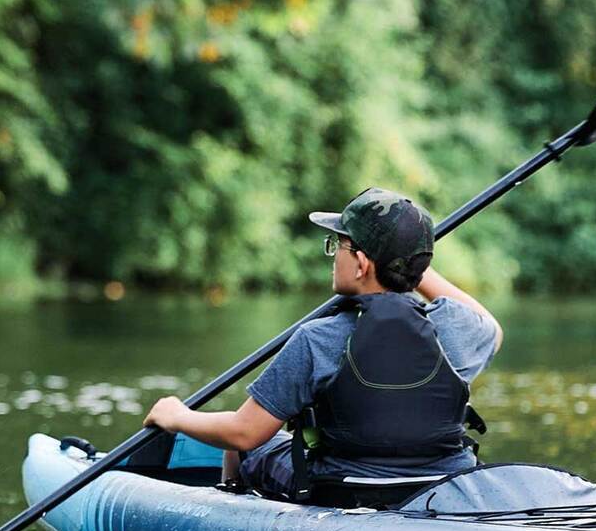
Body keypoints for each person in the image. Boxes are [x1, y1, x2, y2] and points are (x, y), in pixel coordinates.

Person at [143, 187, 503, 501]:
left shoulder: (318, 339)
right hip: (442, 485)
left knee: (243, 450)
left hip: (345, 488)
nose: (333, 256)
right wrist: (406, 266)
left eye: (339, 245)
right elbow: (490, 327)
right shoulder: (457, 328)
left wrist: (178, 417)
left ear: (361, 263)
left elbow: (244, 432)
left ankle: (233, 510)